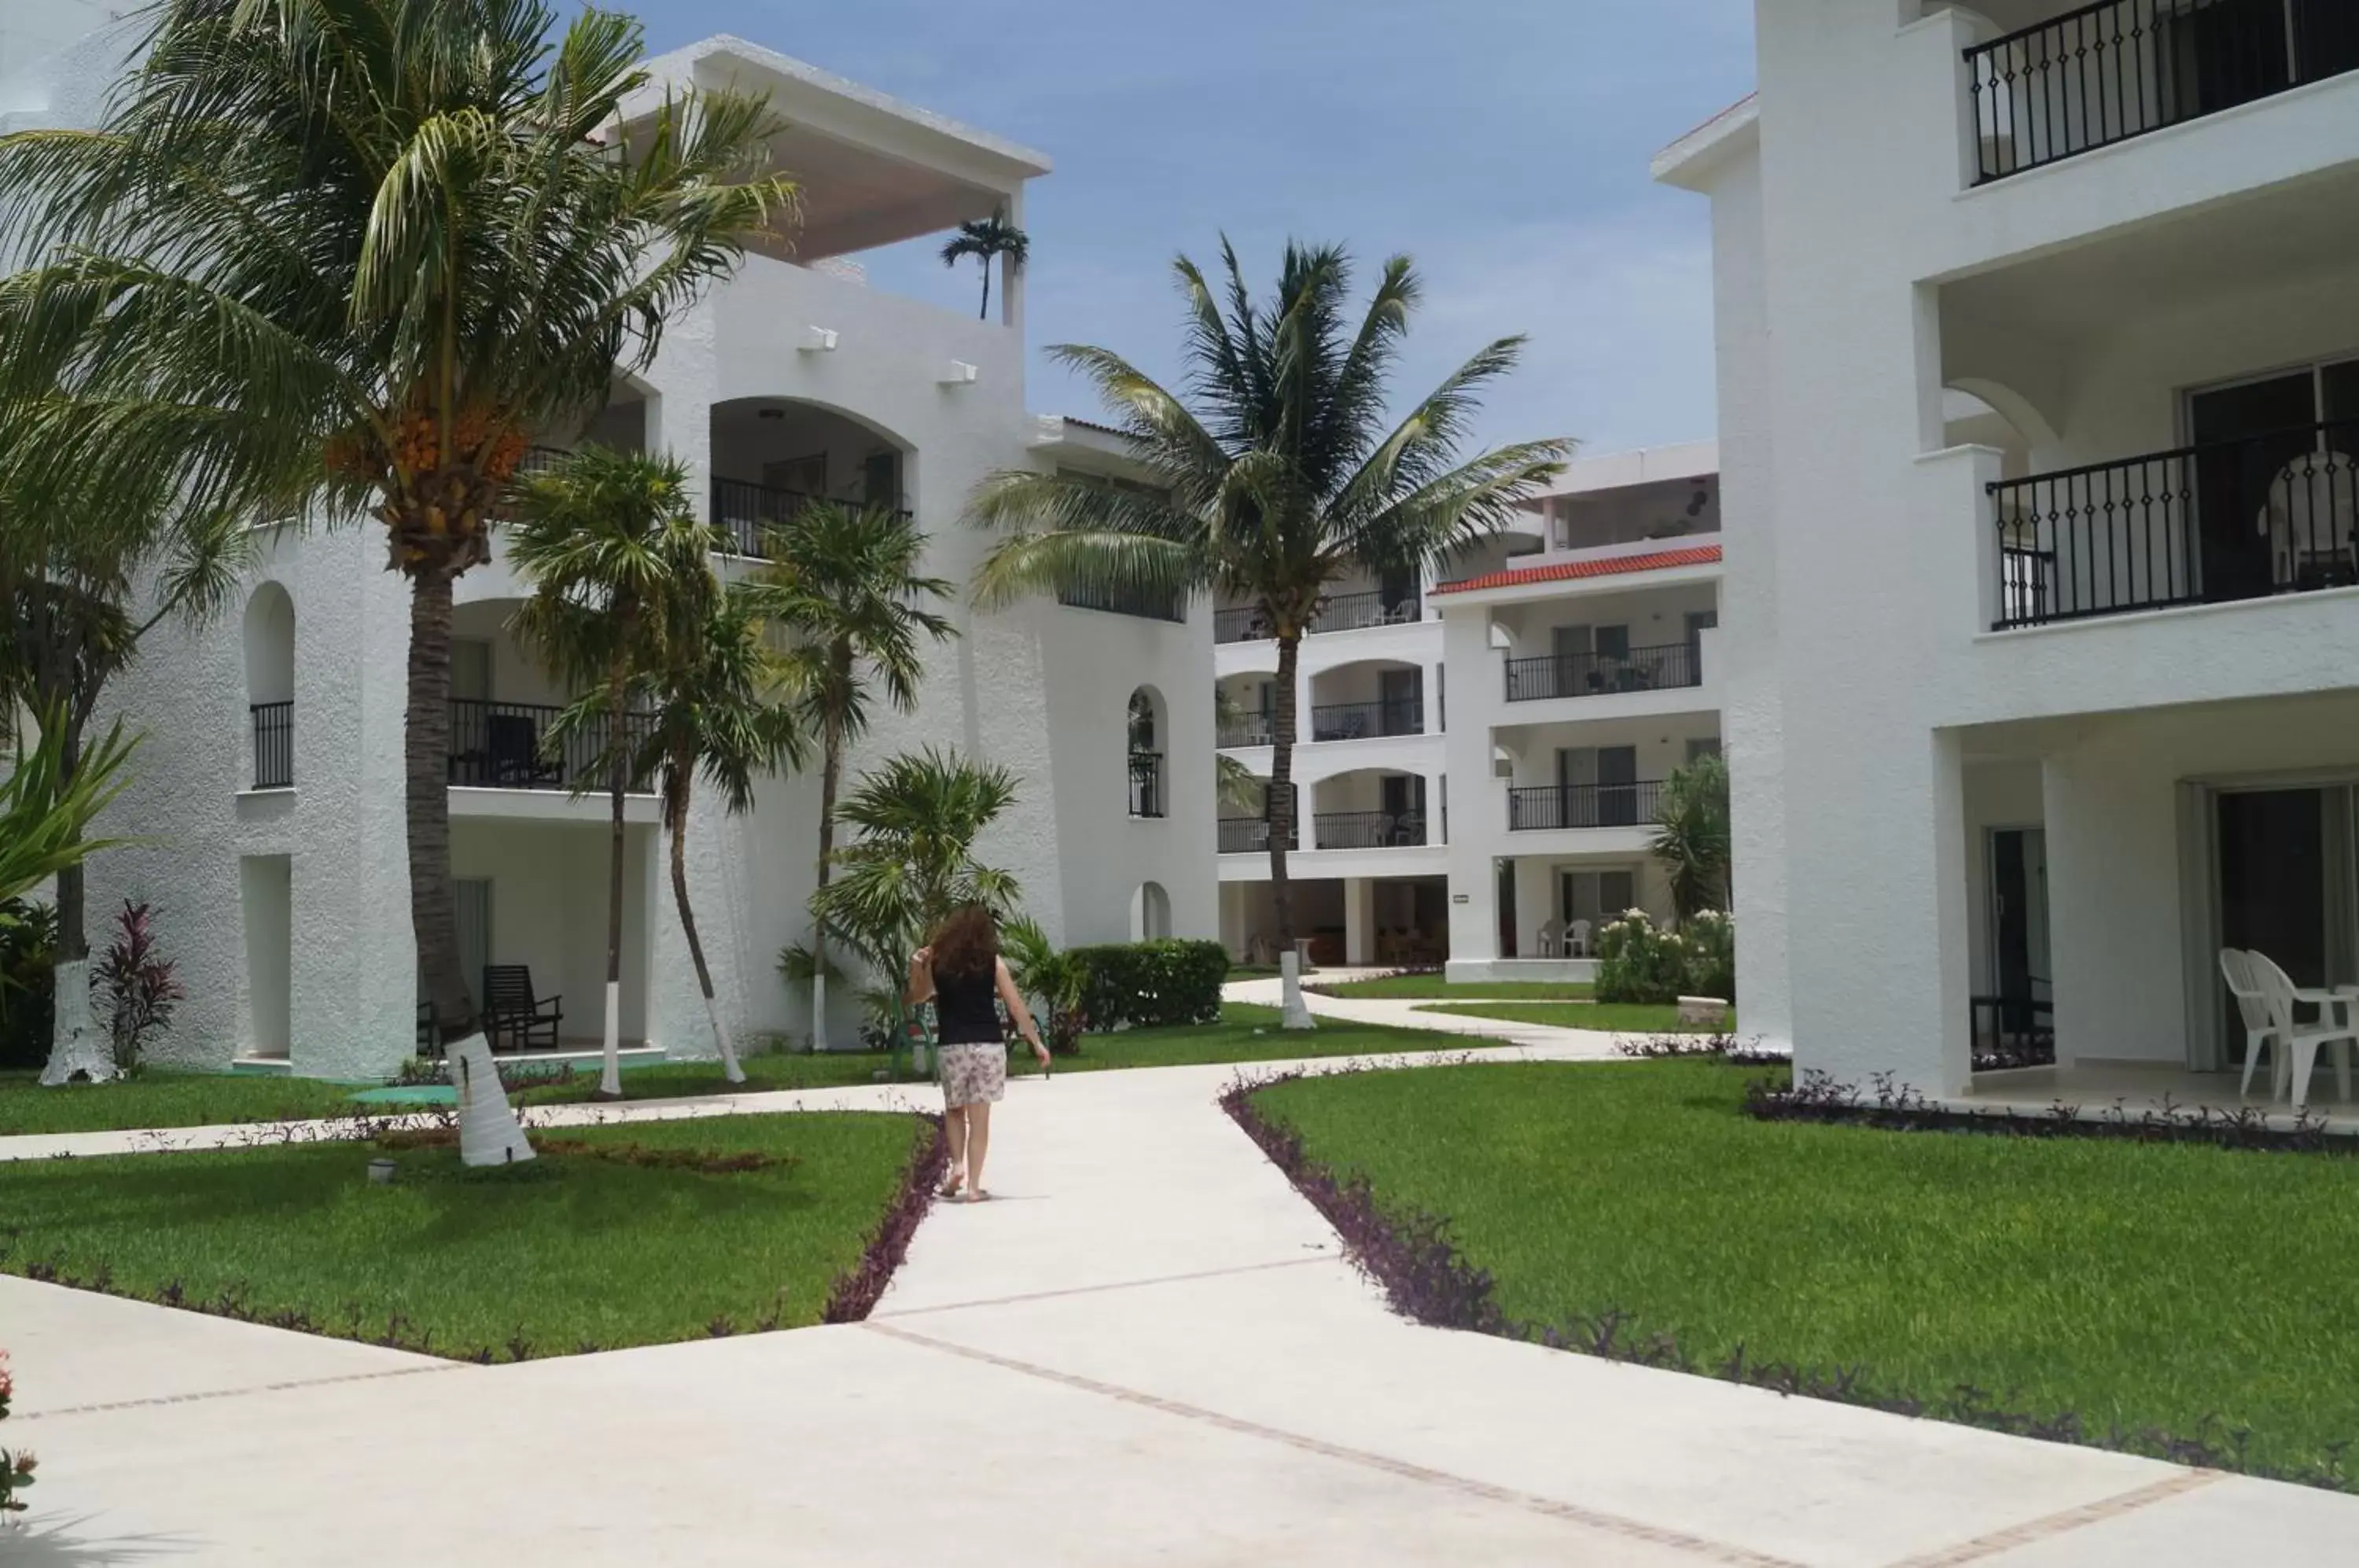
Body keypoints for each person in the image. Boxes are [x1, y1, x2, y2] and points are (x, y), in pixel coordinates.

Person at [907, 904, 1051, 1202]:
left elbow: (917, 997)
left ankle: (957, 1165)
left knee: (955, 1111)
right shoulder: (993, 963)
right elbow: (1015, 1005)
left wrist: (915, 966)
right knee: (980, 1119)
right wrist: (1036, 1043)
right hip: (988, 1046)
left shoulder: (939, 964)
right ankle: (973, 1187)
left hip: (953, 1046)